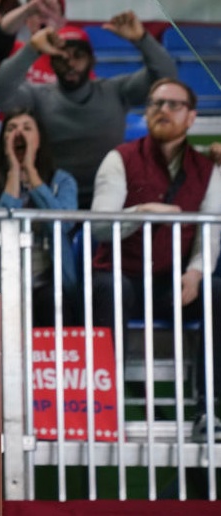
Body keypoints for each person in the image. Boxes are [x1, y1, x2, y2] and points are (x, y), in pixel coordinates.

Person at [90, 78, 221, 442]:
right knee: (111, 288)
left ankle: (207, 409)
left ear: (192, 117)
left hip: (172, 282)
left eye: (172, 105)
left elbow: (209, 233)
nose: (162, 110)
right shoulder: (120, 158)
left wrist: (195, 274)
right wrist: (143, 210)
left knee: (216, 291)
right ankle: (106, 407)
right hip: (121, 275)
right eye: (154, 103)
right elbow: (100, 227)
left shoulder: (210, 169)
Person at [0, 11, 177, 208]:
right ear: (51, 63)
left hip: (109, 197)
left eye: (78, 56)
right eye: (62, 57)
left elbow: (167, 78)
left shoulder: (116, 91)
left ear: (92, 61)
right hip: (52, 199)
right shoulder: (38, 96)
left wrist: (143, 39)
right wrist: (32, 49)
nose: (70, 63)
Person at [0, 108, 77, 325]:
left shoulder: (62, 181)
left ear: (39, 140)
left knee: (55, 302)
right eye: (11, 128)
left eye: (27, 128)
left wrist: (32, 173)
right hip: (0, 279)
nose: (19, 133)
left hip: (49, 282)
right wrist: (13, 173)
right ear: (3, 141)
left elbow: (64, 224)